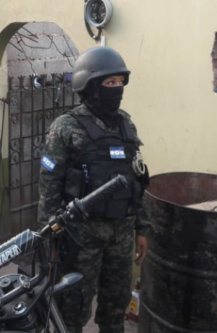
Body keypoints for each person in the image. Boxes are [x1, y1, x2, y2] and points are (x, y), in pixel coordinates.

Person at [38, 46, 151, 333]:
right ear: (89, 86)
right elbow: (49, 187)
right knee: (72, 310)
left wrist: (142, 229)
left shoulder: (126, 124)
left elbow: (137, 179)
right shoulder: (65, 128)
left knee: (116, 307)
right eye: (110, 82)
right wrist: (49, 240)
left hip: (121, 236)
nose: (117, 88)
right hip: (80, 237)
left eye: (120, 82)